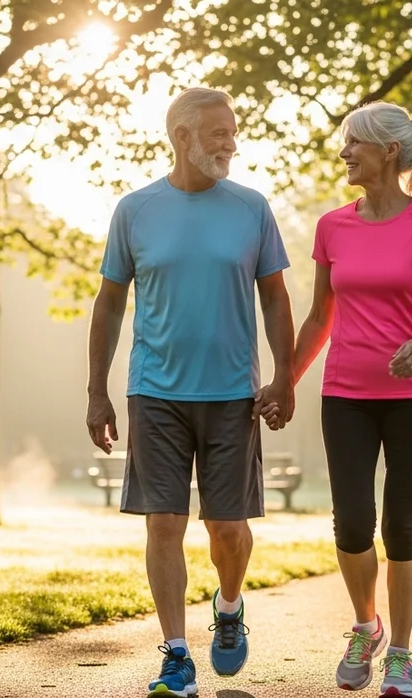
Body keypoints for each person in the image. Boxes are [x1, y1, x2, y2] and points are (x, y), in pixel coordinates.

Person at [85, 87, 295, 698]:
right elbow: (109, 303)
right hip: (155, 394)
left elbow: (276, 297)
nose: (232, 143)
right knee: (163, 524)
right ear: (182, 137)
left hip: (234, 395)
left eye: (233, 132)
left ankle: (228, 609)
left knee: (228, 530)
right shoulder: (135, 210)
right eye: (219, 133)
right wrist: (97, 392)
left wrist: (283, 377)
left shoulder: (252, 209)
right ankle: (176, 654)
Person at [279, 101, 412, 698]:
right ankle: (366, 626)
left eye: (353, 143)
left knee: (402, 526)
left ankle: (402, 657)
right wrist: (286, 381)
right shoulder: (333, 226)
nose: (344, 153)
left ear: (389, 150)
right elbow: (319, 317)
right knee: (353, 522)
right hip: (347, 395)